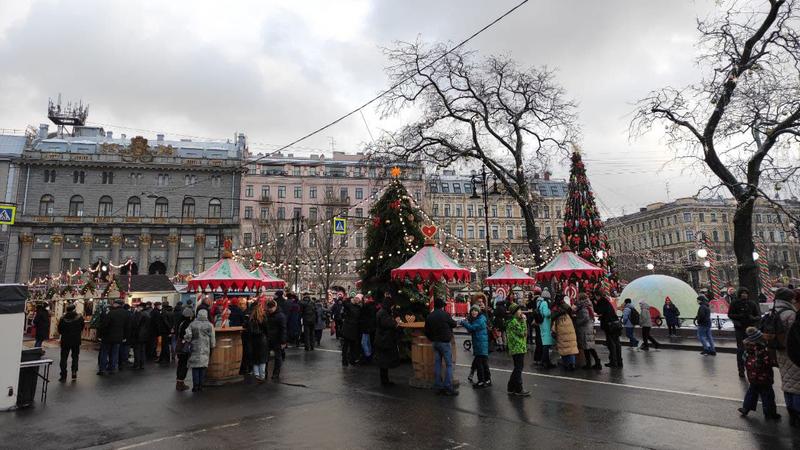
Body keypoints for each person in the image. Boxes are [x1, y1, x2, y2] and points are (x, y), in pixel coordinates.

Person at [737, 327, 781, 421]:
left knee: (751, 393)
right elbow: (767, 363)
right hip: (764, 378)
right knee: (768, 395)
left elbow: (744, 360)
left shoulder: (747, 350)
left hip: (752, 377)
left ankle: (746, 408)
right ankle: (770, 413)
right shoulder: (761, 350)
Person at [773, 287, 800, 426]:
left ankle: (791, 411)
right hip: (792, 351)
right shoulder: (790, 313)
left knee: (786, 382)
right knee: (796, 385)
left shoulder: (773, 310)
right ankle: (797, 413)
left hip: (779, 351)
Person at [424, 298, 458, 396]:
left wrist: (432, 339)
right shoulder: (445, 315)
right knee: (448, 364)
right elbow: (454, 324)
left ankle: (438, 386)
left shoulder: (430, 316)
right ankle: (448, 386)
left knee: (437, 364)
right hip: (445, 342)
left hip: (435, 342)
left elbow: (426, 331)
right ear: (442, 306)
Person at [728, 287, 761, 378]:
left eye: (746, 293)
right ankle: (741, 369)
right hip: (740, 329)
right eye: (742, 293)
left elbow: (758, 315)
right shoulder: (734, 303)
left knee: (753, 349)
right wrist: (739, 317)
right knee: (741, 349)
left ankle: (753, 367)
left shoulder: (752, 303)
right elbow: (730, 314)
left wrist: (752, 318)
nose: (744, 295)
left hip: (750, 329)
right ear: (739, 294)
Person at [184, 309, 215, 393]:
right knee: (203, 367)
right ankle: (201, 385)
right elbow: (212, 338)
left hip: (195, 347)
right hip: (205, 348)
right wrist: (212, 346)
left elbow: (188, 335)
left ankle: (195, 386)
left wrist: (187, 340)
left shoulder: (192, 324)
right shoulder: (209, 325)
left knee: (195, 367)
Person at [460, 305, 491, 388]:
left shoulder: (480, 320)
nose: (473, 312)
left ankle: (481, 381)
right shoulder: (479, 319)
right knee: (484, 363)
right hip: (480, 344)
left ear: (478, 312)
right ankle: (487, 380)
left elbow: (472, 328)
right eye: (472, 311)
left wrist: (463, 323)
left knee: (479, 364)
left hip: (480, 344)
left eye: (475, 311)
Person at [374, 295, 401, 387]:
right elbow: (390, 324)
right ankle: (384, 381)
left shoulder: (382, 312)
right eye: (392, 305)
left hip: (382, 339)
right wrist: (397, 322)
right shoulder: (384, 313)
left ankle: (385, 380)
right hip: (384, 341)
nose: (393, 307)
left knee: (383, 362)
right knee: (384, 361)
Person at [99, 299, 129, 375]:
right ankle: (112, 368)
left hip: (107, 336)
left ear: (116, 304)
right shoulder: (126, 313)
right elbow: (127, 326)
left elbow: (105, 325)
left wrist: (101, 335)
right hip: (119, 337)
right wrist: (125, 336)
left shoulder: (110, 313)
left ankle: (102, 369)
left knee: (104, 352)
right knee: (114, 353)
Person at [505, 303, 530, 396]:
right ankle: (518, 388)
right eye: (519, 310)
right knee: (518, 368)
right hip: (517, 347)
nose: (521, 312)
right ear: (515, 312)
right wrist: (523, 321)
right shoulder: (514, 322)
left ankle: (511, 387)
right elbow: (523, 333)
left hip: (517, 347)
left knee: (517, 368)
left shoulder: (514, 321)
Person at [57, 304, 84, 381]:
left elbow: (60, 330)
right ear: (74, 309)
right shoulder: (79, 318)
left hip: (65, 340)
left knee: (63, 358)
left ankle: (63, 375)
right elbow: (82, 327)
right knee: (75, 356)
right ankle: (74, 372)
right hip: (76, 340)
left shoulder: (62, 318)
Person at [595, 293, 623, 368]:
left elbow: (599, 311)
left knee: (611, 344)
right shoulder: (607, 303)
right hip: (616, 324)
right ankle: (619, 361)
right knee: (617, 344)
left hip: (610, 326)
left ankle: (613, 362)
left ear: (598, 296)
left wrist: (595, 306)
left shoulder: (602, 301)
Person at [551, 295, 579, 370]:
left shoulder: (555, 309)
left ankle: (566, 363)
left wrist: (553, 331)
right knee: (571, 347)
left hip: (561, 328)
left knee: (563, 347)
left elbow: (553, 319)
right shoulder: (567, 309)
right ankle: (572, 364)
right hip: (570, 328)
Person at [575, 293, 601, 370]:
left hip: (585, 329)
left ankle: (591, 363)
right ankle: (595, 362)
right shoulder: (588, 305)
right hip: (588, 328)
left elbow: (585, 318)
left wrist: (577, 322)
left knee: (587, 347)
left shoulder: (584, 306)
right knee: (588, 347)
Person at [248, 300, 270, 383]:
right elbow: (266, 329)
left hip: (254, 340)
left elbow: (249, 330)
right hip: (262, 340)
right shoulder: (264, 318)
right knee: (262, 359)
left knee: (255, 359)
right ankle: (262, 376)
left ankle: (256, 375)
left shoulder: (251, 318)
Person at [265, 300, 287, 380]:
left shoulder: (280, 316)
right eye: (269, 308)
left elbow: (283, 329)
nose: (270, 309)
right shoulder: (267, 314)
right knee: (266, 356)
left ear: (275, 307)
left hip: (277, 339)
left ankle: (276, 373)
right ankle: (265, 373)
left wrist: (283, 341)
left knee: (278, 356)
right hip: (268, 338)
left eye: (271, 308)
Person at [174, 308, 193, 391]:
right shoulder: (188, 324)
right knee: (184, 364)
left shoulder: (180, 322)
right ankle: (180, 383)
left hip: (179, 345)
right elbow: (188, 336)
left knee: (180, 364)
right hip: (184, 346)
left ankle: (179, 382)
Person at [341, 295, 362, 366]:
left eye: (358, 299)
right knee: (346, 346)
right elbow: (344, 303)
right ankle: (344, 360)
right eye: (356, 298)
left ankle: (352, 360)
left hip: (354, 329)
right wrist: (347, 299)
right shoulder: (349, 305)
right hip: (347, 329)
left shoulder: (359, 307)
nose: (356, 299)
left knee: (353, 346)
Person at [537, 290, 555, 369]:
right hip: (545, 324)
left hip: (542, 324)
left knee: (546, 343)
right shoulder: (544, 303)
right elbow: (546, 313)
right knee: (546, 344)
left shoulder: (539, 302)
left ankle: (547, 361)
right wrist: (550, 311)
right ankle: (544, 362)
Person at [130, 303, 150, 370]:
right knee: (142, 350)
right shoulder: (147, 314)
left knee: (137, 350)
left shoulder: (139, 314)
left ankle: (137, 364)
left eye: (138, 307)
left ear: (141, 307)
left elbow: (136, 324)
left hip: (138, 335)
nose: (137, 308)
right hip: (145, 335)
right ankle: (142, 364)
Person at [359, 294, 378, 363]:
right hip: (371, 328)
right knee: (369, 343)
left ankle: (368, 356)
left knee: (364, 343)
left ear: (368, 299)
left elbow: (365, 318)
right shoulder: (374, 306)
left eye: (365, 299)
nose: (364, 300)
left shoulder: (366, 306)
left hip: (366, 328)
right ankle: (370, 355)